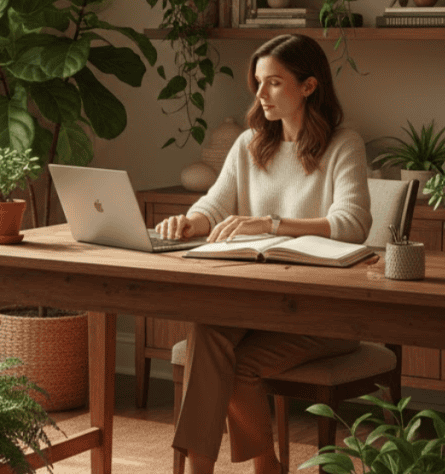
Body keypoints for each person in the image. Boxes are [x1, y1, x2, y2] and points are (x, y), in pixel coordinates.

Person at [156, 33, 372, 474]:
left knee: (221, 350)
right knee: (208, 328)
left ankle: (264, 466)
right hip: (259, 304)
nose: (260, 94)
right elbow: (215, 205)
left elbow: (352, 224)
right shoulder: (249, 143)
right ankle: (234, 469)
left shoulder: (343, 144)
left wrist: (270, 223)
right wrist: (189, 222)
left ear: (308, 86)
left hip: (325, 312)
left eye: (273, 82)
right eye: (258, 82)